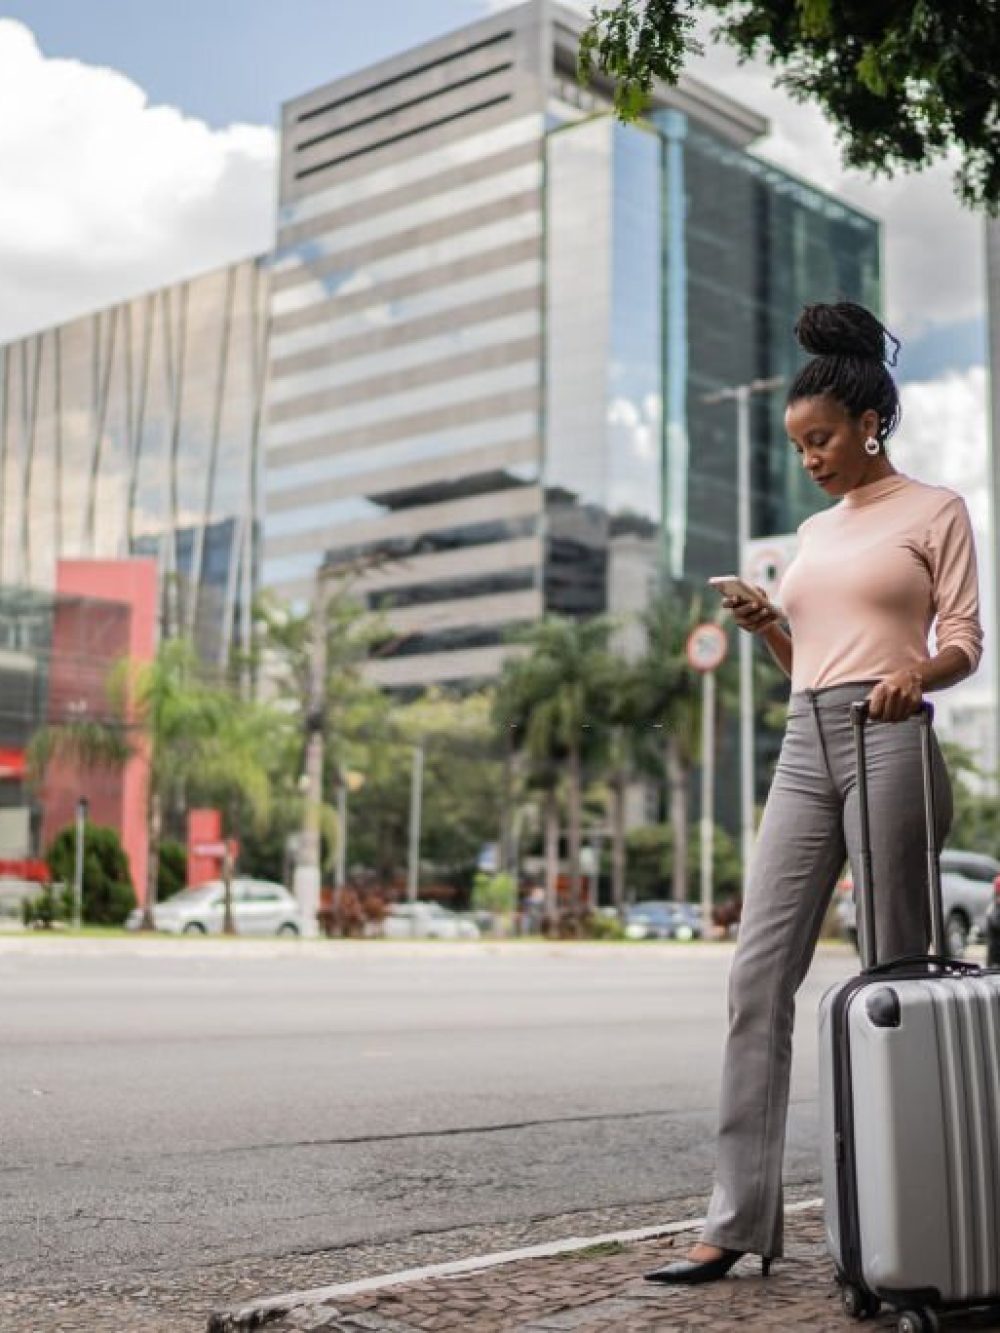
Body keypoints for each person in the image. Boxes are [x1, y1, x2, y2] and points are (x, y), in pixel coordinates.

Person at [644, 301, 983, 1286]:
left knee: (891, 980)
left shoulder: (935, 510)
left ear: (868, 423)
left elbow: (962, 636)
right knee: (756, 978)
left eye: (821, 439)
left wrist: (915, 674)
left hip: (889, 737)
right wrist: (763, 623)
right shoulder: (810, 529)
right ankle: (734, 1219)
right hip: (805, 736)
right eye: (798, 446)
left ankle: (901, 1221)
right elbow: (809, 663)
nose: (811, 459)